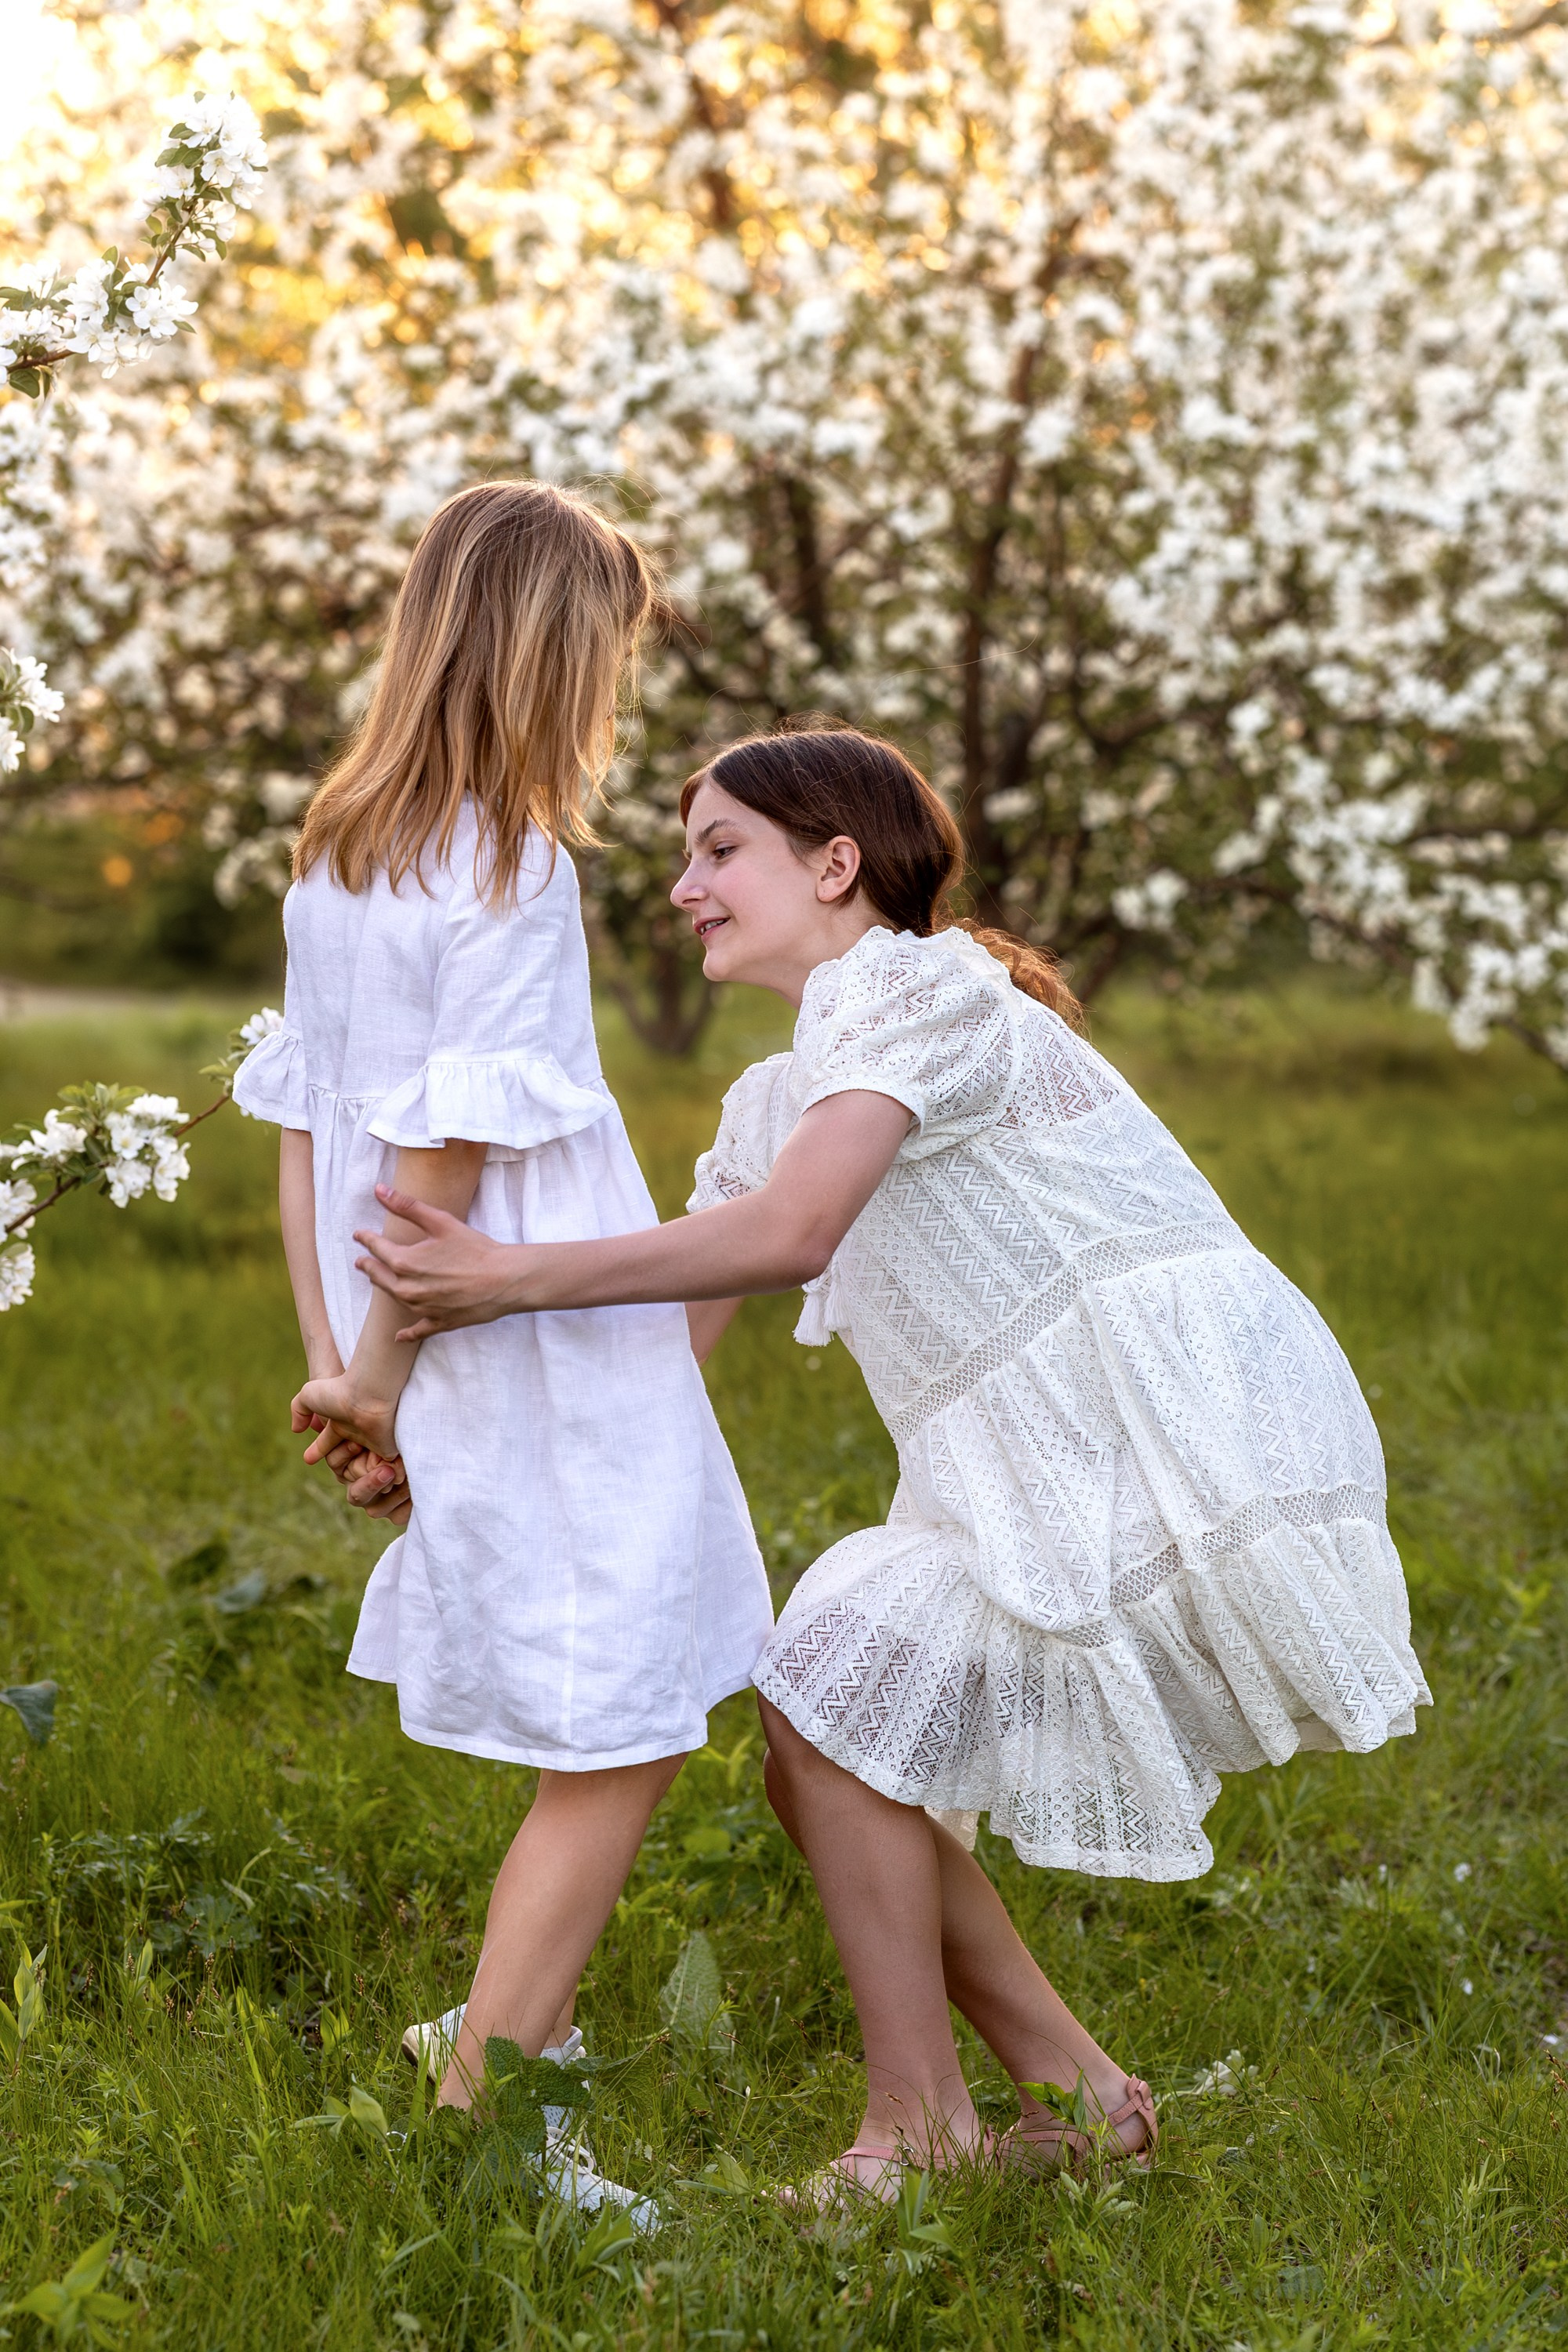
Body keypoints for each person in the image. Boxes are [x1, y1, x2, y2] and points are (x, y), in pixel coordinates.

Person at [350, 720, 1431, 2205]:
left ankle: (916, 2133)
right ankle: (1081, 2096)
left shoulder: (919, 990)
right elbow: (655, 1365)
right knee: (826, 1741)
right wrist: (433, 1442)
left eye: (720, 850)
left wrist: (501, 1276)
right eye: (683, 858)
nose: (685, 889)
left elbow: (789, 1238)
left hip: (1154, 1431)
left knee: (833, 1704)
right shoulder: (781, 1098)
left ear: (837, 864)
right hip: (1013, 1463)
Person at [232, 482, 772, 2215]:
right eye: (603, 649)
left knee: (618, 1679)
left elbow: (307, 1132)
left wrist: (340, 1360)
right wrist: (383, 1372)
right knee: (625, 1710)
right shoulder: (509, 859)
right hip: (516, 1319)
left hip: (410, 1319)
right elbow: (446, 1154)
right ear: (552, 654)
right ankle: (491, 2110)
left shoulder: (342, 847)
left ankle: (498, 2019)